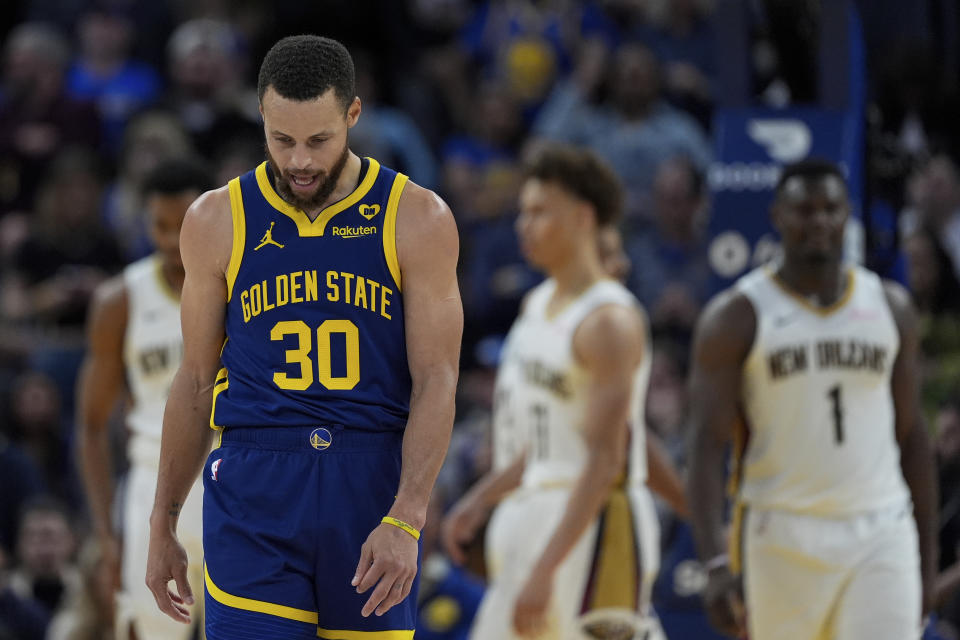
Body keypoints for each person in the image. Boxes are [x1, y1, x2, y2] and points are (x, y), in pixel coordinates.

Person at [144, 35, 462, 640]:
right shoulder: (216, 219)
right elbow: (192, 379)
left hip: (369, 478)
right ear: (261, 118)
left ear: (353, 114)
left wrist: (409, 517)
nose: (300, 162)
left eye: (319, 140)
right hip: (256, 478)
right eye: (281, 140)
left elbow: (438, 378)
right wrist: (163, 523)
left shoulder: (416, 217)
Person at [686, 159, 938, 639]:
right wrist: (715, 562)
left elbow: (912, 436)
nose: (819, 221)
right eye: (804, 209)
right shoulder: (737, 316)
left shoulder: (890, 307)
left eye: (831, 209)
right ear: (778, 216)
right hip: (779, 534)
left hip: (880, 528)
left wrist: (926, 563)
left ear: (848, 216)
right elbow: (704, 447)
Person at [442, 145, 659, 639]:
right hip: (534, 510)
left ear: (583, 218)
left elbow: (605, 461)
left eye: (539, 212)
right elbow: (542, 442)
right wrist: (480, 499)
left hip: (594, 524)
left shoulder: (609, 321)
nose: (524, 224)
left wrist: (545, 569)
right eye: (524, 211)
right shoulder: (537, 305)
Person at [76, 158, 213, 639]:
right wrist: (105, 533)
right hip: (152, 490)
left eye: (184, 224)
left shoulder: (243, 290)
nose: (173, 239)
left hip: (234, 484)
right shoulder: (121, 301)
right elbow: (91, 426)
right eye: (160, 225)